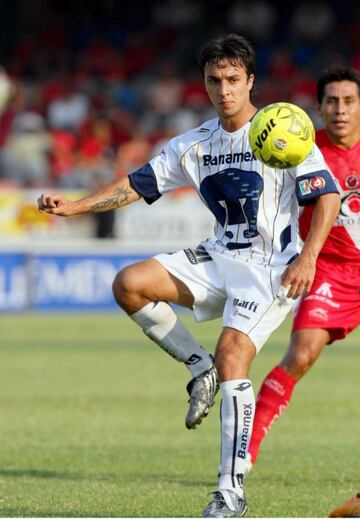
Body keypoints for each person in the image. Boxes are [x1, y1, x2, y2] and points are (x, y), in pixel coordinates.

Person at [38, 34, 340, 518]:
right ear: (204, 84)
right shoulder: (194, 145)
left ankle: (230, 491)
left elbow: (326, 195)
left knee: (234, 355)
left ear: (250, 82)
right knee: (130, 283)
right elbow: (135, 185)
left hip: (270, 270)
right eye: (214, 80)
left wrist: (308, 256)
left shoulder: (282, 129)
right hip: (218, 256)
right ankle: (199, 369)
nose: (224, 90)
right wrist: (75, 206)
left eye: (233, 80)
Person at [247, 67, 360, 477]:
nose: (340, 110)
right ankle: (246, 451)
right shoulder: (302, 150)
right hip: (328, 271)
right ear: (319, 107)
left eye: (349, 101)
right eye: (332, 101)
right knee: (301, 354)